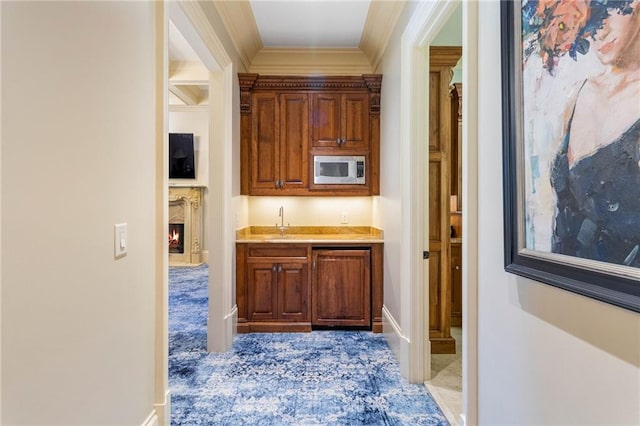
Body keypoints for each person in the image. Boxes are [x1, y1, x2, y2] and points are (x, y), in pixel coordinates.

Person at [527, 0, 640, 266]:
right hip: (565, 290)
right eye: (589, 20)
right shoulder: (578, 94)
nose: (598, 31)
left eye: (611, 9)